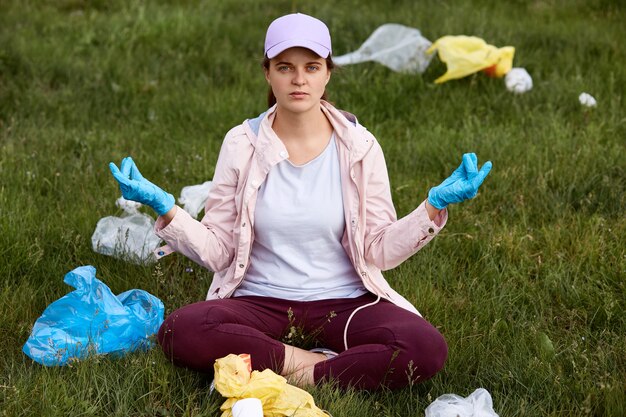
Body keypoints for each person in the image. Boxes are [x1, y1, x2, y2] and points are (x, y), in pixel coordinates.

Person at [109, 12, 492, 391]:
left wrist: (432, 207)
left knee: (425, 347)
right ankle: (315, 365)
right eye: (284, 67)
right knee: (180, 330)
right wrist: (167, 208)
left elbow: (379, 251)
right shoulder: (241, 144)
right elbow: (220, 252)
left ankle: (285, 368)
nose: (298, 79)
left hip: (345, 304)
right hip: (259, 303)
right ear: (267, 73)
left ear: (327, 73)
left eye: (311, 67)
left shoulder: (360, 146)